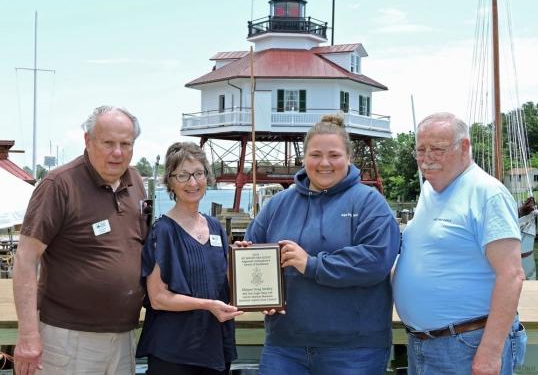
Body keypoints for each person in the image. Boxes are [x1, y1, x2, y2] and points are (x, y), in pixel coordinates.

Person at [240, 113, 401, 375]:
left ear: (349, 158)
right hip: (284, 346)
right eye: (315, 155)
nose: (324, 163)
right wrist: (253, 288)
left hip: (354, 350)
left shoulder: (370, 202)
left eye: (334, 155)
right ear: (303, 159)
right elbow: (252, 253)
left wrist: (311, 264)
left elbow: (376, 262)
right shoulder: (278, 205)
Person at [13, 105, 149, 375]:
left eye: (126, 143)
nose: (118, 152)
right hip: (68, 338)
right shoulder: (59, 184)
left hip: (124, 337)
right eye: (108, 143)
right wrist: (28, 336)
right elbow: (25, 260)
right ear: (88, 141)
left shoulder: (135, 180)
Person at [393, 112, 527, 375]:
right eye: (420, 149)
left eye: (437, 149)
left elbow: (511, 275)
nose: (427, 157)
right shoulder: (429, 191)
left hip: (467, 345)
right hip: (422, 344)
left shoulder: (487, 193)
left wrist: (489, 353)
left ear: (464, 147)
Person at [136, 141, 242, 375]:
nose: (193, 183)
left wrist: (243, 260)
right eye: (183, 176)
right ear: (170, 182)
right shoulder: (162, 231)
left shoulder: (216, 227)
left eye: (198, 173)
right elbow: (158, 298)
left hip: (215, 345)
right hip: (175, 352)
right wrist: (207, 305)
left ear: (207, 177)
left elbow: (225, 282)